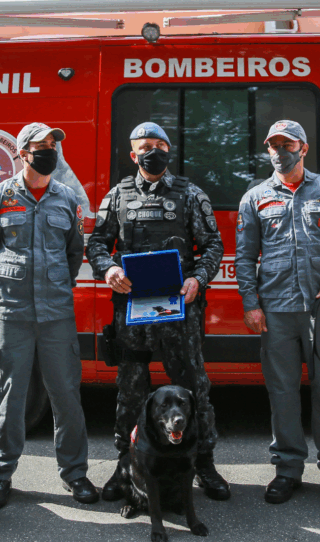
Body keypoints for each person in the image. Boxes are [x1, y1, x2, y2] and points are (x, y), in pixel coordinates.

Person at [86, 122, 231, 502]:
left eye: (160, 145)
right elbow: (97, 243)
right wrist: (110, 269)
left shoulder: (191, 195)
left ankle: (204, 463)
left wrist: (199, 277)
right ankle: (125, 463)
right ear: (133, 155)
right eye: (145, 147)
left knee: (193, 389)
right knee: (131, 390)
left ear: (169, 151)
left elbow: (213, 243)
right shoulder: (117, 196)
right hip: (133, 311)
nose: (154, 151)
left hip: (179, 310)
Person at [235, 120, 320, 505]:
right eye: (272, 145)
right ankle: (287, 469)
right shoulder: (254, 197)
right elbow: (244, 256)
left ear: (303, 148)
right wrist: (251, 304)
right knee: (283, 393)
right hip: (275, 311)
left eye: (286, 144)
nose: (278, 151)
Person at [0, 123, 98, 509]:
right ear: (22, 153)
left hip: (56, 313)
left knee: (65, 394)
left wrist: (55, 285)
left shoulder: (67, 199)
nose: (49, 150)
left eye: (52, 145)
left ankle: (75, 474)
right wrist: (11, 285)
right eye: (40, 146)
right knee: (10, 396)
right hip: (13, 313)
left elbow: (74, 253)